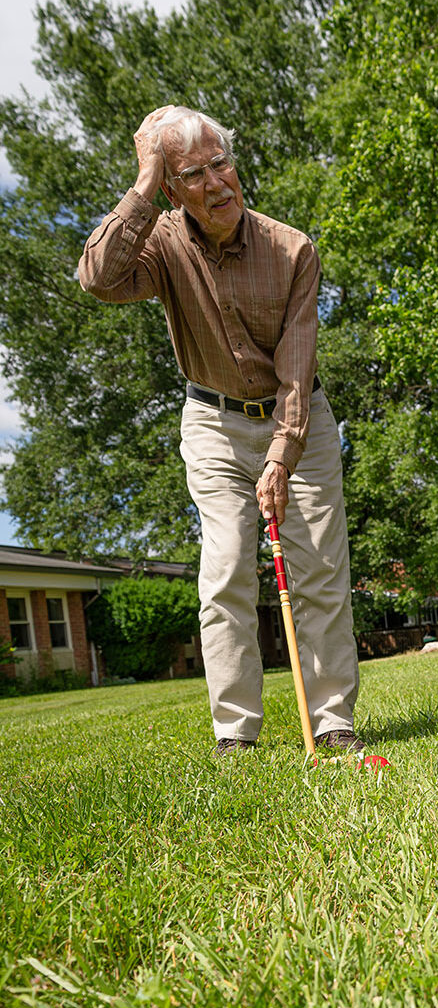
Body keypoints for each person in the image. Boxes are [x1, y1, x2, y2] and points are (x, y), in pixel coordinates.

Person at [79, 106, 363, 756]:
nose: (216, 183)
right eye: (192, 174)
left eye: (221, 164)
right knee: (229, 566)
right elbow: (98, 278)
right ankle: (236, 732)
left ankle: (333, 722)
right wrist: (145, 178)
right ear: (172, 190)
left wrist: (281, 457)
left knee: (319, 567)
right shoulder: (163, 243)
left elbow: (297, 367)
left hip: (298, 420)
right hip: (211, 419)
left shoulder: (292, 249)